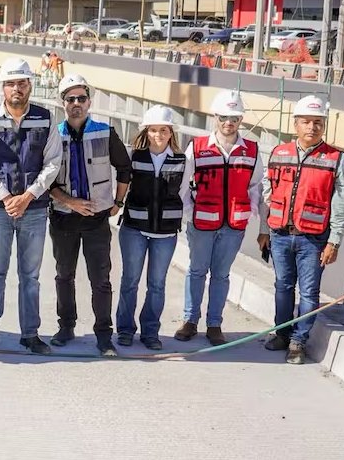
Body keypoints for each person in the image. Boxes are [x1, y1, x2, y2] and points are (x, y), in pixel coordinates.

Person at [0, 57, 62, 354]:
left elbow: (53, 164)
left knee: (30, 276)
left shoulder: (46, 119)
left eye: (21, 83)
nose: (16, 89)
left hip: (34, 211)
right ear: (3, 88)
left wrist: (28, 196)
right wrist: (7, 197)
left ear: (29, 86)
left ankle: (30, 334)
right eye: (10, 83)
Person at [258, 95, 344, 364]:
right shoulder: (279, 153)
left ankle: (298, 342)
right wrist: (265, 229)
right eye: (306, 122)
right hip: (279, 235)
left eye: (318, 123)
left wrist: (334, 241)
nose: (312, 127)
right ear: (296, 124)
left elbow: (343, 204)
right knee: (282, 286)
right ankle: (282, 333)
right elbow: (269, 195)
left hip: (313, 239)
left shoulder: (337, 160)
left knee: (309, 292)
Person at [47, 74, 131, 357]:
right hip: (63, 217)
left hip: (96, 219)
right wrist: (70, 202)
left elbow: (125, 169)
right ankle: (66, 326)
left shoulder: (106, 132)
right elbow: (44, 181)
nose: (76, 104)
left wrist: (117, 202)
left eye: (81, 98)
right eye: (70, 99)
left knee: (100, 279)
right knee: (64, 275)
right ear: (63, 103)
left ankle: (104, 335)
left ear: (89, 102)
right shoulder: (52, 134)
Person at [175, 90, 263, 346]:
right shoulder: (198, 147)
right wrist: (189, 213)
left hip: (233, 225)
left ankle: (214, 324)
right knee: (197, 271)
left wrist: (250, 210)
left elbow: (256, 185)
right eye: (224, 116)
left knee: (221, 275)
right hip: (201, 222)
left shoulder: (251, 150)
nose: (229, 122)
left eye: (234, 117)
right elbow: (183, 184)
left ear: (241, 120)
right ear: (215, 116)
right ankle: (190, 321)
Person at [116, 105, 189, 351]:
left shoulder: (181, 160)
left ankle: (150, 332)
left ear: (171, 133)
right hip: (134, 229)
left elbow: (184, 194)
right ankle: (125, 330)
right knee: (130, 280)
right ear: (146, 132)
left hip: (165, 233)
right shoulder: (133, 156)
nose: (159, 135)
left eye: (164, 130)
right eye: (154, 130)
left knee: (157, 284)